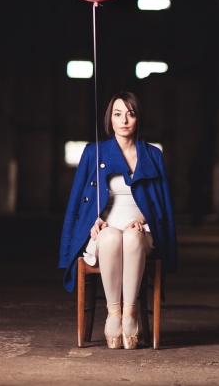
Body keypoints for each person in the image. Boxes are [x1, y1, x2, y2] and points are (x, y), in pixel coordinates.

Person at [59, 91, 177, 349]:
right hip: (104, 230)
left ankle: (130, 314)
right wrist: (94, 221)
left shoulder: (153, 155)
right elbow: (76, 202)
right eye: (117, 114)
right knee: (112, 237)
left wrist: (142, 217)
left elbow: (163, 203)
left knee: (132, 237)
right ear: (109, 119)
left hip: (141, 230)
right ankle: (114, 314)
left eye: (130, 114)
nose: (124, 120)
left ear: (138, 119)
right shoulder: (94, 153)